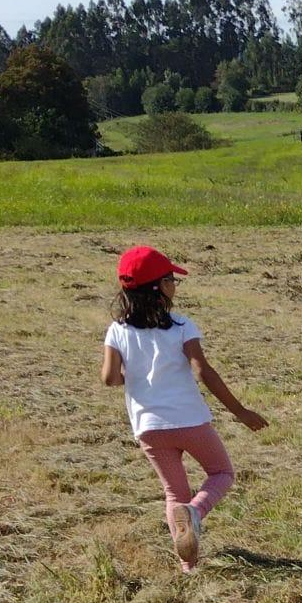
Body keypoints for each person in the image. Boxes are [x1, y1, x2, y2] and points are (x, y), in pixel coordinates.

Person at [101, 245, 266, 573]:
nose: (175, 285)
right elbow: (202, 370)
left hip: (148, 428)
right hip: (190, 421)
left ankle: (187, 564)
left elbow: (109, 378)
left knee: (174, 492)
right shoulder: (181, 326)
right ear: (159, 288)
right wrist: (240, 411)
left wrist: (131, 376)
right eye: (171, 279)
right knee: (221, 473)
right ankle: (195, 513)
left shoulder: (117, 331)